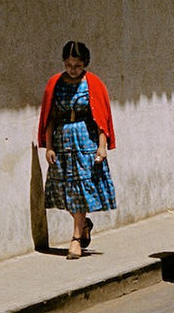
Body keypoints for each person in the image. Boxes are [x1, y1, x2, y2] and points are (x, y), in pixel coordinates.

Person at [36, 41, 116, 259]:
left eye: (77, 65)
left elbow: (101, 118)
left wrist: (102, 146)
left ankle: (75, 239)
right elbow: (50, 117)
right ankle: (83, 225)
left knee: (81, 190)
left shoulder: (93, 84)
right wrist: (49, 146)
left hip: (85, 143)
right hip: (62, 143)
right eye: (69, 64)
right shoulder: (55, 83)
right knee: (66, 191)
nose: (72, 69)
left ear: (85, 63)